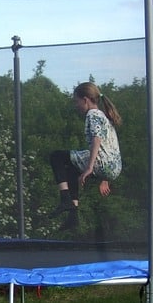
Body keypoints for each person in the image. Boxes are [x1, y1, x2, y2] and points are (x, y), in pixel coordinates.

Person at [48, 81, 123, 230]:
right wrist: (105, 177)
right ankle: (73, 215)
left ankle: (65, 199)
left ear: (85, 100)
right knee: (71, 167)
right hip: (113, 167)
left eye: (76, 102)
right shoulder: (103, 116)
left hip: (102, 164)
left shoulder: (92, 115)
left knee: (56, 156)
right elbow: (110, 146)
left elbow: (97, 139)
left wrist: (90, 167)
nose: (76, 106)